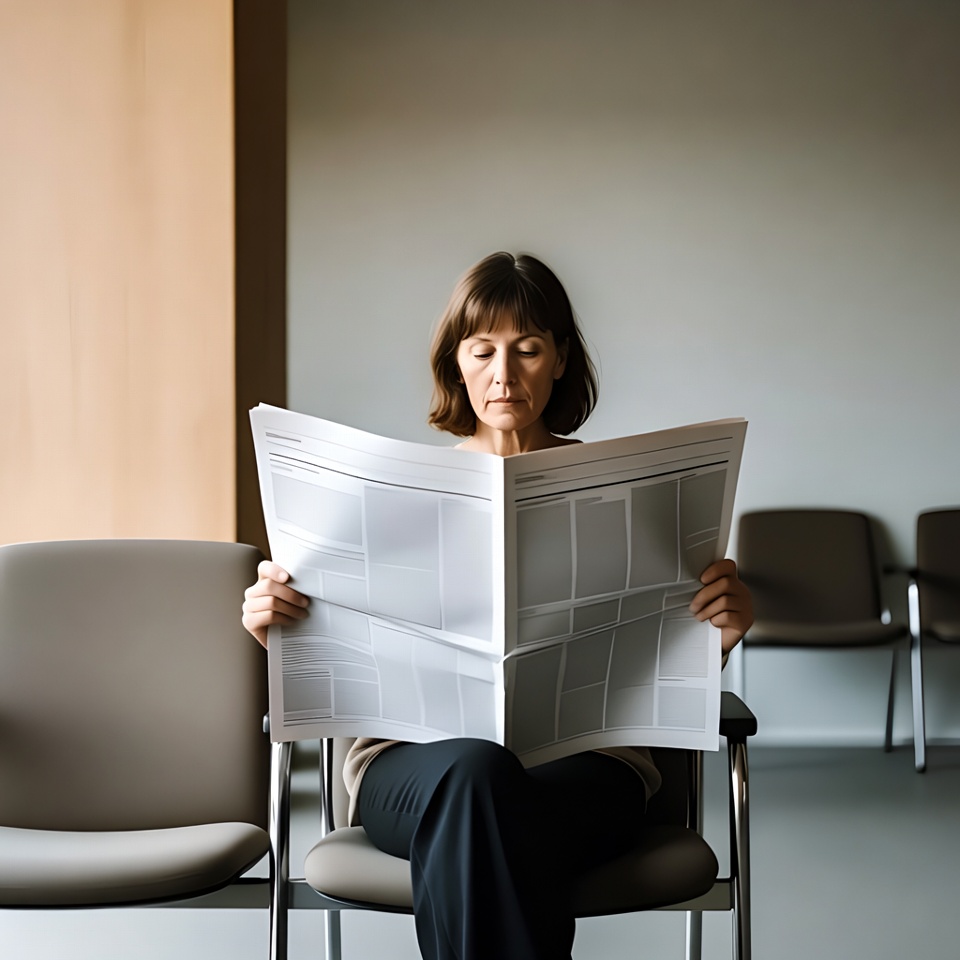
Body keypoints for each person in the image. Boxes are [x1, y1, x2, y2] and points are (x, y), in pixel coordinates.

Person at [242, 252, 753, 960]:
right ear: (457, 363)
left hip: (585, 765)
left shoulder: (631, 500)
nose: (504, 373)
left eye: (529, 349)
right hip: (415, 768)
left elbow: (660, 642)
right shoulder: (386, 498)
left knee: (496, 808)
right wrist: (279, 629)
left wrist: (720, 632)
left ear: (562, 360)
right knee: (480, 778)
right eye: (482, 351)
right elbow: (338, 650)